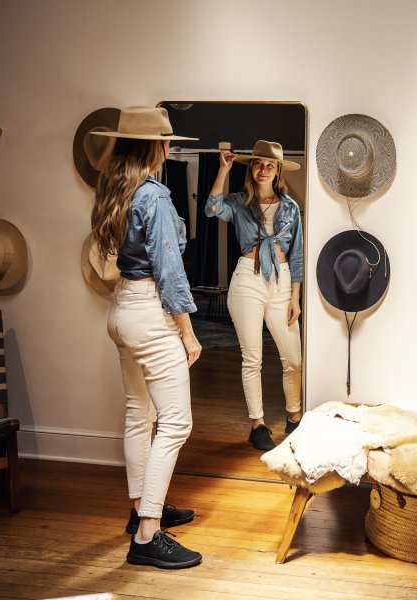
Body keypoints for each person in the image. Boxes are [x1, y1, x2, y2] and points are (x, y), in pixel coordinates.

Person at [90, 106, 202, 569]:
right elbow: (169, 270)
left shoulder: (113, 187)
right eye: (167, 141)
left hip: (122, 309)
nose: (169, 147)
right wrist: (189, 332)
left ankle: (141, 509)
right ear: (156, 146)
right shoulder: (153, 196)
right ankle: (148, 535)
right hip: (149, 312)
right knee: (175, 422)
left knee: (140, 415)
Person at [204, 140, 303, 451]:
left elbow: (297, 253)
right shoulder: (238, 202)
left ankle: (295, 416)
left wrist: (295, 297)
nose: (263, 169)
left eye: (269, 165)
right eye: (258, 164)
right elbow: (211, 208)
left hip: (282, 282)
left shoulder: (290, 207)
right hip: (247, 279)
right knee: (253, 358)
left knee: (293, 358)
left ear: (277, 171)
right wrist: (223, 168)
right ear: (252, 168)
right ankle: (257, 424)